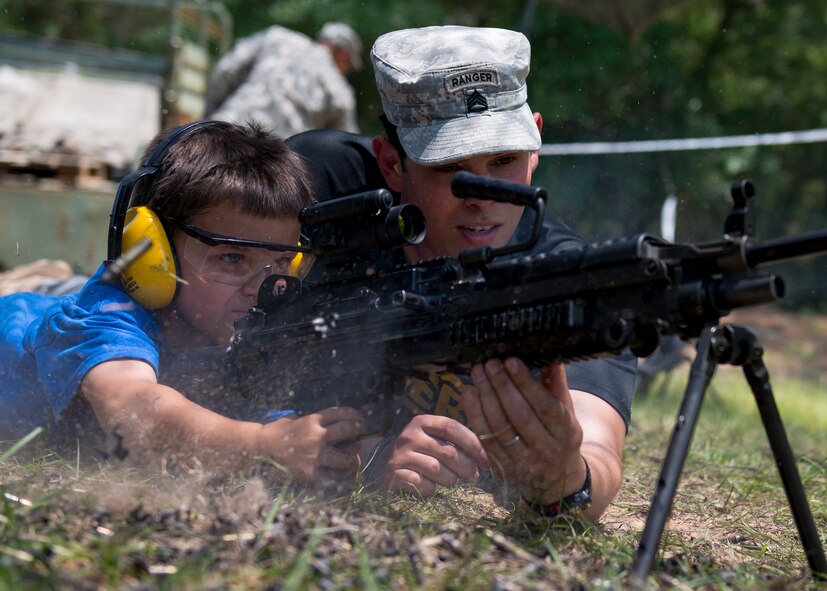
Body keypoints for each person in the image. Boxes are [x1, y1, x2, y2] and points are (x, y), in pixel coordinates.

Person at [287, 25, 637, 520]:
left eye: (504, 160)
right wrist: (360, 458)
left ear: (535, 146)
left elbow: (597, 450)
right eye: (450, 167)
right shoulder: (320, 191)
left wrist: (565, 483)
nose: (483, 194)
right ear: (390, 163)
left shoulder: (561, 280)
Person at [0, 120, 367, 490]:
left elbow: (263, 424)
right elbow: (133, 408)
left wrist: (363, 456)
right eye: (232, 259)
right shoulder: (107, 315)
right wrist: (263, 445)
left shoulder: (226, 330)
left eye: (282, 263)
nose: (261, 288)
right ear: (152, 250)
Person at [205, 22, 362, 137]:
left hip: (225, 131)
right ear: (343, 55)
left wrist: (208, 118)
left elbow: (227, 69)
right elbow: (343, 144)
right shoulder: (340, 90)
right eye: (348, 65)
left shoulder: (277, 38)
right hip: (274, 163)